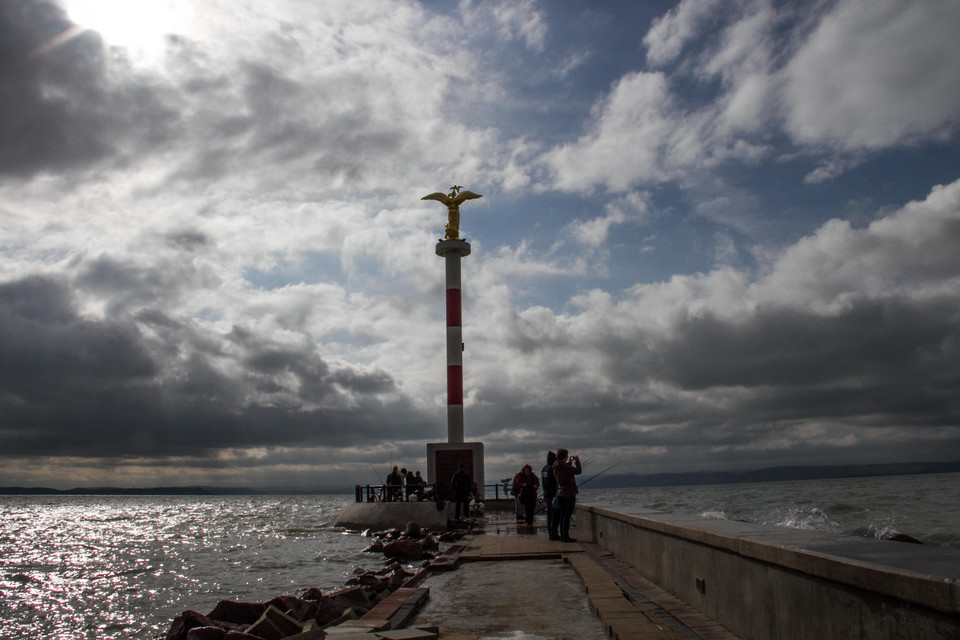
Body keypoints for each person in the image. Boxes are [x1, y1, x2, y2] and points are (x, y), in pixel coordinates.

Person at [552, 448, 582, 542]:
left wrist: (569, 462)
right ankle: (565, 536)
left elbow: (564, 468)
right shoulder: (565, 467)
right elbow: (578, 471)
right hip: (568, 494)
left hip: (560, 493)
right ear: (564, 456)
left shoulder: (556, 466)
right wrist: (577, 461)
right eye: (567, 456)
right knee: (567, 516)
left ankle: (563, 535)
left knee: (562, 515)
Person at [541, 451, 559, 540]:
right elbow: (554, 482)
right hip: (552, 495)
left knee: (549, 515)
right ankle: (553, 534)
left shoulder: (544, 468)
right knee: (554, 515)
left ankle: (550, 532)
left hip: (546, 494)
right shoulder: (552, 469)